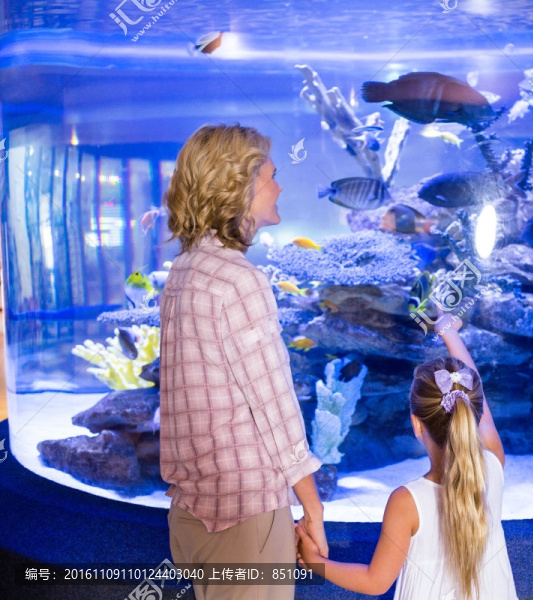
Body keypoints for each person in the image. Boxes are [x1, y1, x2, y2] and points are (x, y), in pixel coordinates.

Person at [159, 124, 328, 600]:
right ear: (240, 184)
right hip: (244, 518)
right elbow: (275, 409)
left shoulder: (185, 269)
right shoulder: (239, 280)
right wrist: (311, 508)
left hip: (192, 515)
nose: (279, 186)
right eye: (271, 175)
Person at [297, 312, 518, 600]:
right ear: (471, 413)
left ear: (416, 424)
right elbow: (477, 396)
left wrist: (316, 563)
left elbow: (376, 582)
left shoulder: (407, 500)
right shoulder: (492, 465)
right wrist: (450, 333)